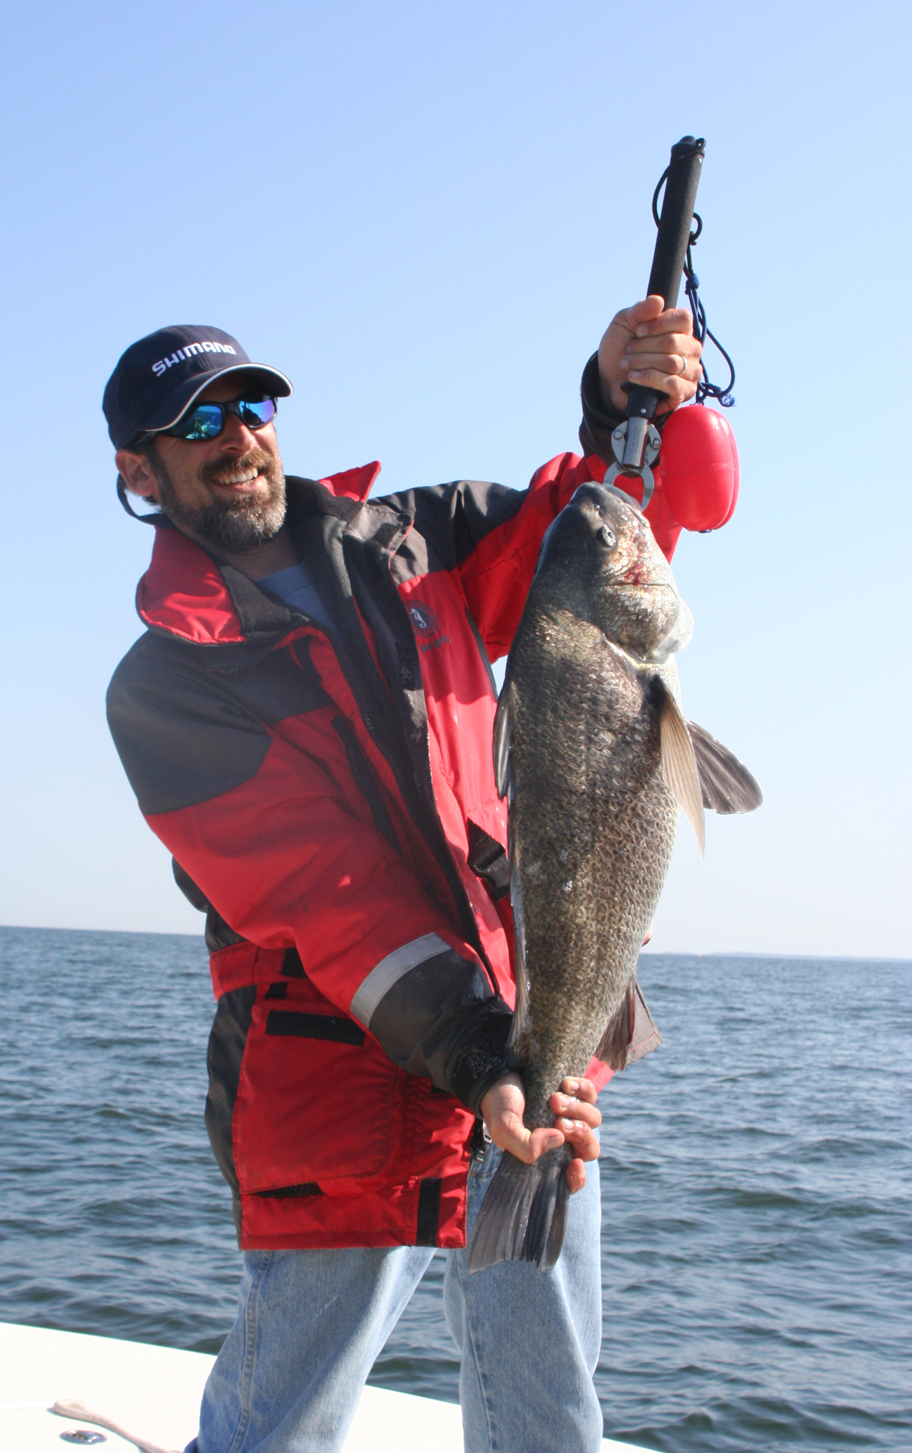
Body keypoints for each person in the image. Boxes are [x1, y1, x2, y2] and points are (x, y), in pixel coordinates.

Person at [103, 299, 703, 1453]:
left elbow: (578, 541)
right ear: (140, 467)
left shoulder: (414, 541)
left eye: (251, 404)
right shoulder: (162, 687)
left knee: (547, 1413)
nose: (239, 436)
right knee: (277, 1423)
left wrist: (614, 399)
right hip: (342, 1076)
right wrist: (486, 1059)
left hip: (539, 1040)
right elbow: (332, 897)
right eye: (197, 425)